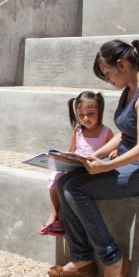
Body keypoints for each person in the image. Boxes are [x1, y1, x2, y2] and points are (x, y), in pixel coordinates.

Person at [47, 39, 139, 277]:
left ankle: (113, 259)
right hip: (133, 163)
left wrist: (106, 167)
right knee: (64, 181)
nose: (108, 81)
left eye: (108, 74)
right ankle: (83, 259)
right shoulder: (130, 90)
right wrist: (93, 156)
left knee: (77, 189)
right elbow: (123, 135)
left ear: (123, 64)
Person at [39, 91, 114, 237]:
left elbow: (113, 148)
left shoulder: (106, 132)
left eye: (90, 113)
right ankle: (54, 215)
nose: (85, 118)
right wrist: (63, 160)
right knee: (55, 176)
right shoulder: (78, 131)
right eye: (81, 115)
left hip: (92, 170)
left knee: (71, 185)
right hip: (77, 167)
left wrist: (113, 152)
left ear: (100, 111)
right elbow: (70, 151)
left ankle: (62, 221)